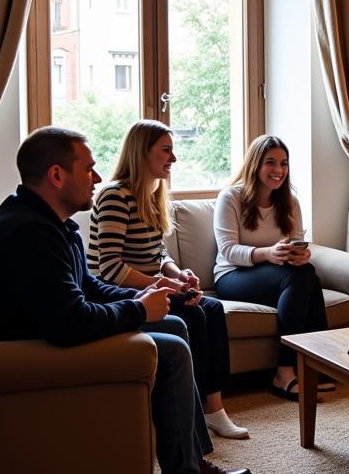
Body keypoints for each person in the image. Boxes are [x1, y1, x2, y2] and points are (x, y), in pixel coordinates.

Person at [0, 127, 260, 474]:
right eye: (89, 168)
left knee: (174, 324)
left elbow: (89, 288)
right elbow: (70, 321)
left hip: (31, 340)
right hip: (12, 365)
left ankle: (190, 464)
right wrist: (137, 308)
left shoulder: (51, 225)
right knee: (167, 348)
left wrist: (150, 294)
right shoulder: (30, 234)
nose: (96, 178)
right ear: (57, 175)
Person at [87, 120, 247, 439]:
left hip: (149, 287)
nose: (173, 158)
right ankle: (199, 410)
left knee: (213, 310)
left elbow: (158, 251)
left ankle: (213, 407)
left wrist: (177, 273)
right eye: (166, 150)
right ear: (142, 152)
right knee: (194, 312)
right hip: (118, 294)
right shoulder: (115, 197)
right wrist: (161, 285)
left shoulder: (152, 194)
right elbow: (109, 266)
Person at [213, 134, 330, 401]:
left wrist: (302, 255)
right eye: (270, 162)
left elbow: (298, 240)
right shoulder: (230, 198)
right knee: (302, 279)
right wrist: (268, 253)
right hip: (232, 275)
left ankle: (311, 369)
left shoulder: (290, 201)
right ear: (255, 164)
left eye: (283, 163)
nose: (278, 170)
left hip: (277, 274)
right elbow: (228, 250)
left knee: (307, 274)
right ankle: (286, 372)